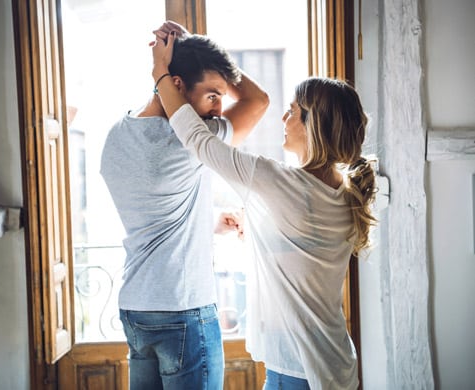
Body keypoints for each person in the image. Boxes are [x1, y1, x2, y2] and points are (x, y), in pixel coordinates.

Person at [152, 31, 377, 390]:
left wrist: (161, 74)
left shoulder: (279, 182)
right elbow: (302, 251)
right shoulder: (344, 192)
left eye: (292, 112)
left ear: (312, 126)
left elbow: (196, 138)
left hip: (298, 372)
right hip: (334, 365)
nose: (283, 119)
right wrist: (258, 226)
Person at [100, 21, 269, 390]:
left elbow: (152, 212)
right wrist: (199, 46)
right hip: (184, 307)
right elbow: (257, 102)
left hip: (136, 307)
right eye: (213, 94)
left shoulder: (117, 134)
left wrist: (208, 221)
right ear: (176, 85)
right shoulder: (192, 139)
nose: (219, 107)